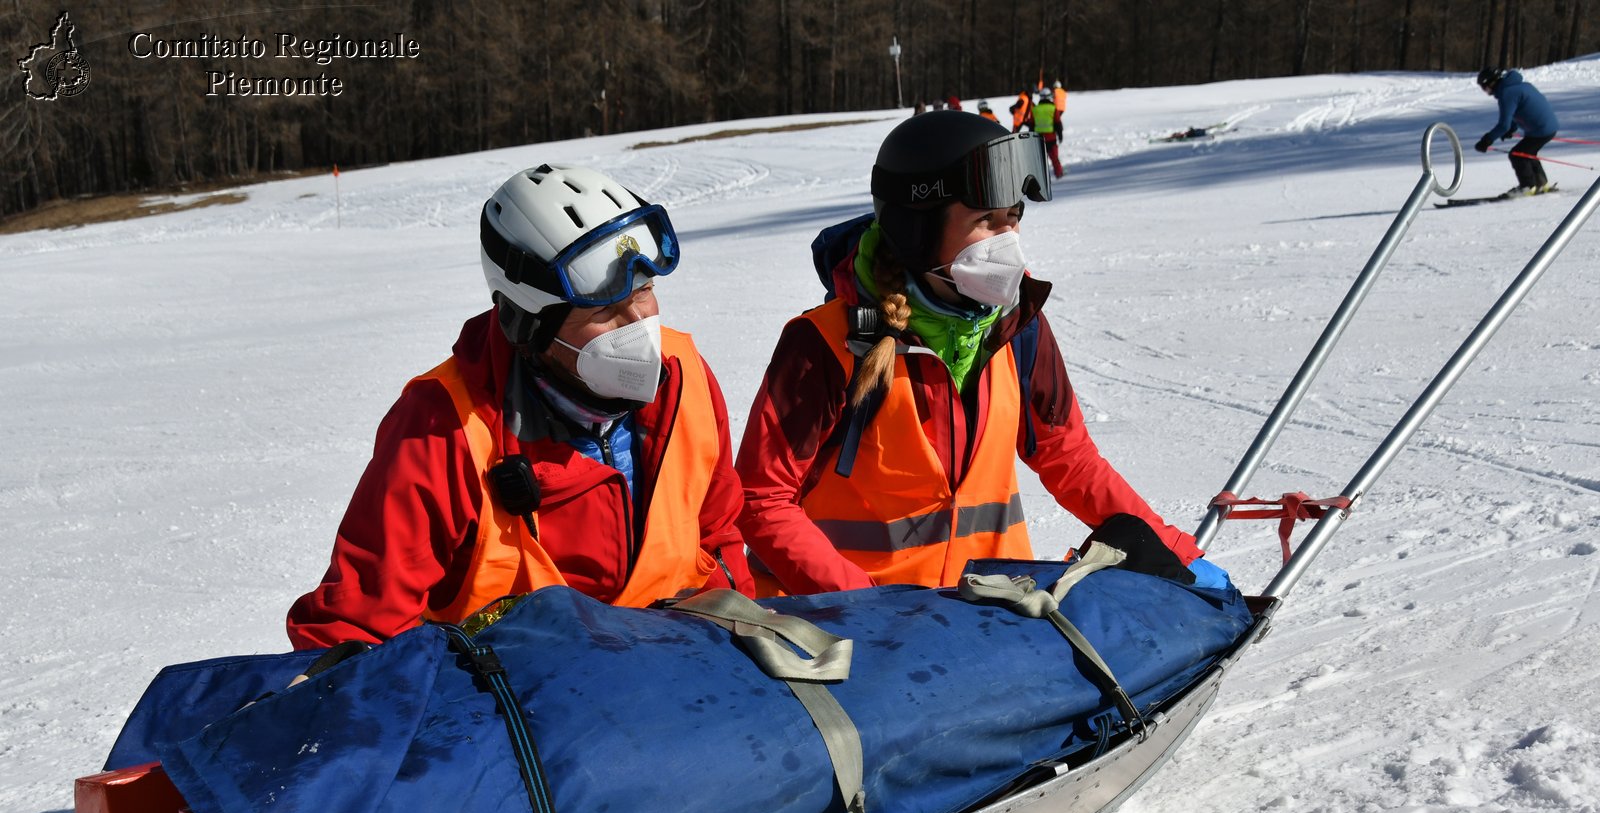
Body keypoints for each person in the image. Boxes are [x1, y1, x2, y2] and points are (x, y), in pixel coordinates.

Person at [735, 110, 1210, 596]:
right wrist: (864, 605)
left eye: (1014, 219)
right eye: (986, 221)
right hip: (850, 633)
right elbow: (760, 498)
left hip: (984, 623)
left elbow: (1068, 457)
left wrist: (1175, 550)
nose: (1008, 242)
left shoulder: (1017, 326)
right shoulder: (825, 343)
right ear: (916, 230)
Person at [287, 164, 754, 648]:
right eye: (603, 312)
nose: (638, 326)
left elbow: (716, 537)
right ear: (530, 326)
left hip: (681, 684)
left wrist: (739, 647)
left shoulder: (686, 376)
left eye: (645, 292)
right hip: (513, 709)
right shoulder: (442, 427)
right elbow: (356, 627)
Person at [1474, 68, 1559, 196]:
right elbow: (1518, 111)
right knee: (1528, 153)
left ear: (1491, 83)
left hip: (1540, 129)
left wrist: (1487, 140)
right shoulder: (1518, 86)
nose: (1485, 91)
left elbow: (1503, 125)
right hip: (1548, 127)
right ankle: (1541, 184)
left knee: (1517, 154)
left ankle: (1528, 187)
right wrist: (1512, 128)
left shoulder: (1506, 93)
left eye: (1484, 87)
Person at [1031, 88, 1066, 179]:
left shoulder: (1035, 109)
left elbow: (1031, 124)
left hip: (1038, 138)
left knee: (1040, 160)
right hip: (1051, 138)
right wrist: (1060, 135)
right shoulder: (1053, 108)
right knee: (1054, 158)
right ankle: (1059, 174)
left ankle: (1040, 177)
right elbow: (1058, 123)